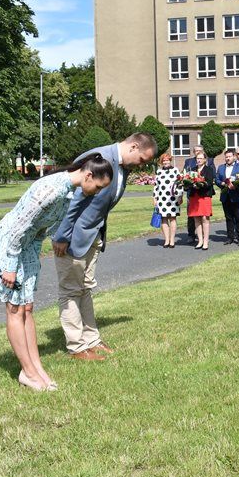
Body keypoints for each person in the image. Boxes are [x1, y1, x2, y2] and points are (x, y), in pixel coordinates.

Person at [0, 154, 114, 391]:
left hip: (26, 247)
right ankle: (28, 372)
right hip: (7, 246)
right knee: (15, 309)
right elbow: (18, 227)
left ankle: (36, 368)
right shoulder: (51, 190)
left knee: (27, 307)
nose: (97, 192)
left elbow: (43, 228)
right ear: (89, 175)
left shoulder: (70, 191)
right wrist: (10, 266)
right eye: (99, 187)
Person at [52, 132, 157, 361]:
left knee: (85, 288)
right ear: (133, 146)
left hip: (93, 236)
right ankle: (77, 347)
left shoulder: (122, 167)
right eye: (142, 160)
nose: (141, 165)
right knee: (70, 291)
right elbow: (70, 199)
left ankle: (92, 340)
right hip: (71, 238)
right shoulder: (98, 158)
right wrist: (61, 235)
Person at [183, 146, 214, 245]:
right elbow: (187, 182)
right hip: (194, 197)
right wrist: (189, 185)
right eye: (197, 158)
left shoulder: (209, 169)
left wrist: (199, 185)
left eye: (201, 158)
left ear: (205, 160)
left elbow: (209, 183)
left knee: (205, 218)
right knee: (196, 218)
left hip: (204, 196)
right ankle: (200, 240)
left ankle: (205, 241)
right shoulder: (192, 169)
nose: (199, 160)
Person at [152, 152, 183, 248]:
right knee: (164, 219)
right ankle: (166, 240)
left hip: (173, 199)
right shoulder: (159, 171)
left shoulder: (175, 170)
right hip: (162, 199)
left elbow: (180, 184)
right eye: (164, 160)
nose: (165, 162)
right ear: (162, 162)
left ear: (170, 160)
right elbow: (156, 186)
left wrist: (180, 196)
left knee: (172, 218)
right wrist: (154, 198)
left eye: (167, 160)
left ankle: (172, 240)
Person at [216, 149, 239, 246]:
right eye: (226, 157)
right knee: (228, 218)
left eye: (229, 156)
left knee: (238, 218)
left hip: (236, 196)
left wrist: (235, 186)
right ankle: (230, 238)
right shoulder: (220, 168)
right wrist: (221, 183)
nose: (228, 158)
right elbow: (216, 179)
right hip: (225, 196)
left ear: (234, 157)